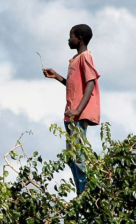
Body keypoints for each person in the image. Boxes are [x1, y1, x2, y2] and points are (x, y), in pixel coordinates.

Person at [42, 24, 101, 196]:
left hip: (77, 115)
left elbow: (90, 83)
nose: (69, 40)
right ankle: (80, 191)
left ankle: (85, 192)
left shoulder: (86, 56)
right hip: (70, 115)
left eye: (71, 36)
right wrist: (57, 77)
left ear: (80, 38)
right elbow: (75, 85)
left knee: (77, 155)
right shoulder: (76, 59)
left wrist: (77, 110)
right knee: (71, 157)